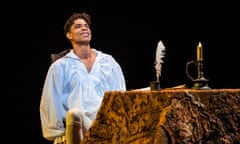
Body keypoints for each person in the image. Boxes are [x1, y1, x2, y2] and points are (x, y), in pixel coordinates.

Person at [39, 12, 126, 144]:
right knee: (75, 113)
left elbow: (120, 95)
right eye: (78, 26)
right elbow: (51, 100)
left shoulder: (108, 62)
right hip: (79, 126)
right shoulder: (60, 66)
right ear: (69, 35)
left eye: (86, 26)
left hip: (106, 124)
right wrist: (58, 133)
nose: (84, 28)